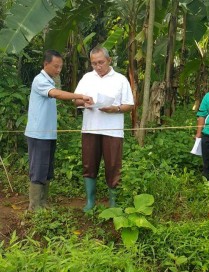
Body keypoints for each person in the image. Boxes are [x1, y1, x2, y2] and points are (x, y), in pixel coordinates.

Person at [25, 49, 93, 211]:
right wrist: (80, 96)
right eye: (56, 67)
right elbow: (56, 94)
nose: (58, 70)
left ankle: (43, 203)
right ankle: (34, 206)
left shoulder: (49, 80)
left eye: (60, 67)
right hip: (38, 134)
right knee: (38, 168)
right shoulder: (39, 80)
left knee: (47, 169)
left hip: (48, 134)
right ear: (46, 64)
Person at [74, 46, 134, 212]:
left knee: (113, 165)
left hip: (112, 130)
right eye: (94, 63)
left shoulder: (121, 79)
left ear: (109, 60)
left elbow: (129, 104)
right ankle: (90, 201)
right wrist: (85, 101)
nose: (97, 66)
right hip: (90, 128)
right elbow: (76, 100)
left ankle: (113, 203)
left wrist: (115, 109)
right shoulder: (87, 78)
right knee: (89, 164)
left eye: (100, 62)